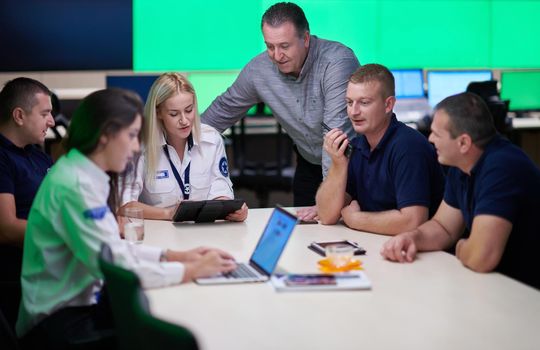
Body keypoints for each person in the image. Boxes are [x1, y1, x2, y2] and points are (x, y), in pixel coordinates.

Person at [17, 89, 237, 347]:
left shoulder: (84, 173)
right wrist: (191, 270)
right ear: (104, 137)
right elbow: (118, 268)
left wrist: (175, 256)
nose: (135, 147)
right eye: (132, 136)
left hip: (78, 306)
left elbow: (113, 249)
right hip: (57, 324)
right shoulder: (75, 186)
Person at [201, 2, 360, 219]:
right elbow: (220, 113)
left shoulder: (336, 63)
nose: (277, 56)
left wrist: (329, 202)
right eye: (270, 46)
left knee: (343, 239)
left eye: (285, 46)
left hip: (350, 167)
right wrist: (169, 142)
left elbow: (336, 139)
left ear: (305, 39)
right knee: (301, 240)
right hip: (308, 165)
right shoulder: (259, 69)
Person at [380, 92, 540, 289]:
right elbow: (443, 228)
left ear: (463, 143)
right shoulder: (462, 165)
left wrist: (461, 246)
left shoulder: (502, 168)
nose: (430, 139)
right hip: (497, 285)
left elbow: (481, 257)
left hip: (527, 295)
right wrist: (411, 238)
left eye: (437, 134)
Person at [316, 64, 444, 235]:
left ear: (388, 104)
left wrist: (356, 219)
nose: (353, 112)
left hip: (422, 254)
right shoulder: (358, 145)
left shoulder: (408, 147)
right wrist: (338, 164)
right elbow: (326, 215)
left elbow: (413, 221)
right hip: (379, 246)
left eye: (364, 102)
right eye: (349, 102)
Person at [121, 73, 248, 221]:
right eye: (174, 114)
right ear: (158, 113)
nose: (184, 120)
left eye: (189, 110)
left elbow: (221, 191)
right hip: (159, 233)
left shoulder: (212, 140)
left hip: (203, 231)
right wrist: (168, 214)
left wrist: (232, 211)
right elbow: (124, 205)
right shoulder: (139, 147)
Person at [0, 77, 55, 329]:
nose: (52, 121)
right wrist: (69, 232)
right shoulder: (2, 159)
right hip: (22, 280)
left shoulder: (38, 156)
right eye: (45, 113)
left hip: (53, 267)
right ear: (19, 115)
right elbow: (7, 229)